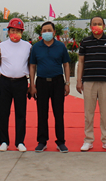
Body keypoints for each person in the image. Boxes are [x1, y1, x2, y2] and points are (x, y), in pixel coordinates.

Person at [76, 16, 106, 152]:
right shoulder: (85, 42)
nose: (97, 26)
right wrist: (79, 80)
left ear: (104, 26)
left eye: (99, 24)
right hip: (89, 81)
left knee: (105, 113)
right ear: (90, 27)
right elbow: (81, 61)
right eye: (94, 24)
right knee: (88, 113)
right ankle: (88, 140)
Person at [29, 21, 71, 153]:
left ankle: (61, 141)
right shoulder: (36, 47)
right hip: (41, 82)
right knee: (42, 113)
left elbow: (66, 64)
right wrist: (32, 85)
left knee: (58, 113)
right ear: (41, 33)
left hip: (58, 82)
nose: (47, 33)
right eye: (44, 31)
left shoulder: (60, 46)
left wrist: (67, 83)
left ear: (54, 32)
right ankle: (42, 141)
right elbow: (32, 66)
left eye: (49, 30)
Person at [0, 18, 32, 152]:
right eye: (13, 30)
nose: (15, 33)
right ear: (8, 31)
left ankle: (20, 141)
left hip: (21, 82)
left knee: (21, 113)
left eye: (18, 31)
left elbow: (32, 66)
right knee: (4, 113)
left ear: (22, 32)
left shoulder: (28, 46)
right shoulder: (0, 46)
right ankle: (4, 141)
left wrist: (31, 84)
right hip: (4, 82)